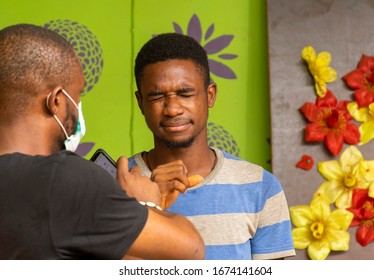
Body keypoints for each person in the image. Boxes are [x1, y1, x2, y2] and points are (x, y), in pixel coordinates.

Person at [0, 24, 205, 260]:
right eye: (77, 96)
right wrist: (145, 205)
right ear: (56, 100)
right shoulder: (64, 179)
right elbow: (190, 249)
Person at [128, 33, 296, 260]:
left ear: (210, 95)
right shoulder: (116, 185)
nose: (172, 109)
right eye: (157, 97)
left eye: (185, 93)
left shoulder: (259, 188)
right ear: (140, 103)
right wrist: (146, 210)